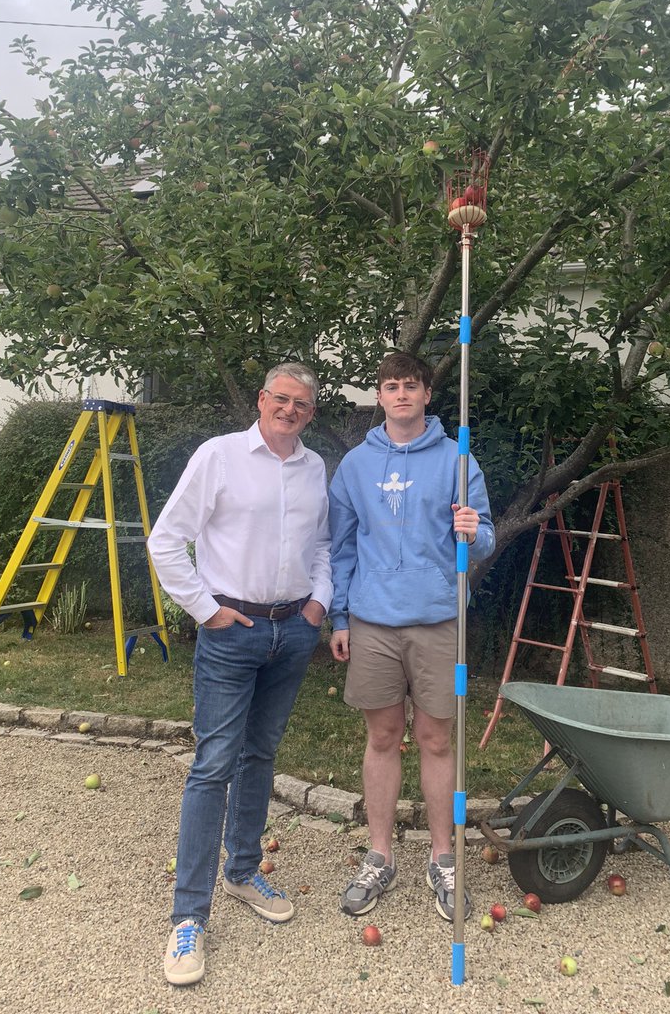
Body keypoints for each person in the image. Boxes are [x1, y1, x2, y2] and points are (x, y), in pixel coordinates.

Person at [148, 362, 332, 987]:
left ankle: (244, 870)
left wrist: (319, 604)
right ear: (261, 401)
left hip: (292, 633)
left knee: (260, 756)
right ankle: (188, 917)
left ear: (311, 412)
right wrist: (207, 610)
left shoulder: (315, 469)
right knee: (213, 764)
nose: (289, 410)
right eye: (281, 399)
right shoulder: (218, 456)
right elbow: (166, 540)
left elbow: (325, 545)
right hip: (232, 635)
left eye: (301, 404)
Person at [328, 351, 494, 922]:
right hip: (373, 621)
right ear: (380, 396)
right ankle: (379, 855)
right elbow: (342, 546)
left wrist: (475, 532)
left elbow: (486, 537)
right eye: (391, 385)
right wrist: (341, 617)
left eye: (411, 385)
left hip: (438, 619)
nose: (401, 394)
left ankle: (443, 857)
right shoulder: (354, 465)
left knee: (437, 738)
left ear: (427, 394)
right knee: (382, 736)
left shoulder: (458, 460)